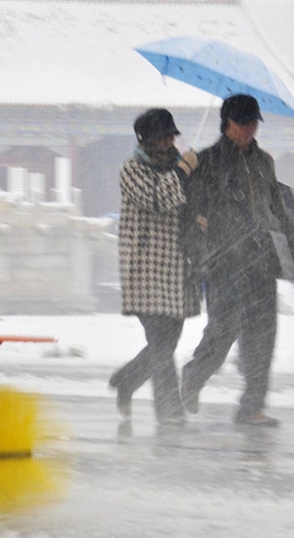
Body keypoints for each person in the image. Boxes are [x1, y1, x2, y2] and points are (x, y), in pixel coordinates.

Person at [180, 94, 294, 427]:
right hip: (222, 263)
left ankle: (251, 407)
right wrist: (195, 259)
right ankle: (193, 377)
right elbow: (190, 213)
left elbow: (278, 211)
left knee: (262, 336)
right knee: (222, 333)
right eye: (243, 122)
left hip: (261, 262)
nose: (250, 128)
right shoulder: (206, 161)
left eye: (254, 122)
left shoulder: (264, 162)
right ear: (227, 124)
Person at [109, 108, 201, 425]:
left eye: (169, 136)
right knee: (162, 343)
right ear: (144, 141)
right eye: (159, 137)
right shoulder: (132, 170)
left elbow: (194, 204)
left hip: (178, 268)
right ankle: (169, 410)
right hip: (145, 268)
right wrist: (183, 171)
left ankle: (128, 379)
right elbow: (157, 198)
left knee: (166, 343)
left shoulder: (181, 167)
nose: (165, 143)